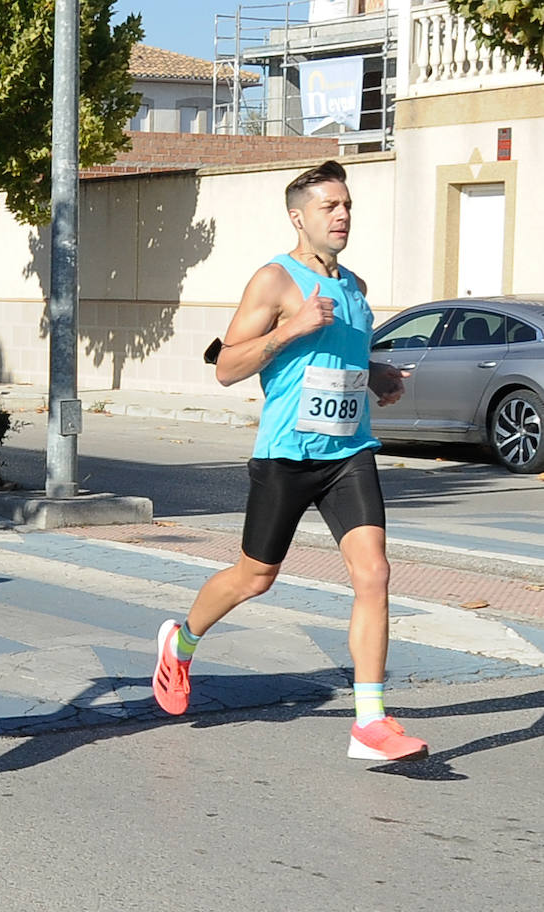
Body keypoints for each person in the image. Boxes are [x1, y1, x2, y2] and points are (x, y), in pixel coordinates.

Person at [151, 160, 427, 763]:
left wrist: (375, 374)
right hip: (286, 454)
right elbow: (227, 367)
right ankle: (182, 641)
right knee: (256, 576)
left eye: (348, 205)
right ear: (298, 217)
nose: (343, 215)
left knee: (374, 573)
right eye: (331, 206)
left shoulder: (354, 286)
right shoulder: (275, 281)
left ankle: (370, 721)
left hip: (349, 451)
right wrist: (292, 328)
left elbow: (339, 359)